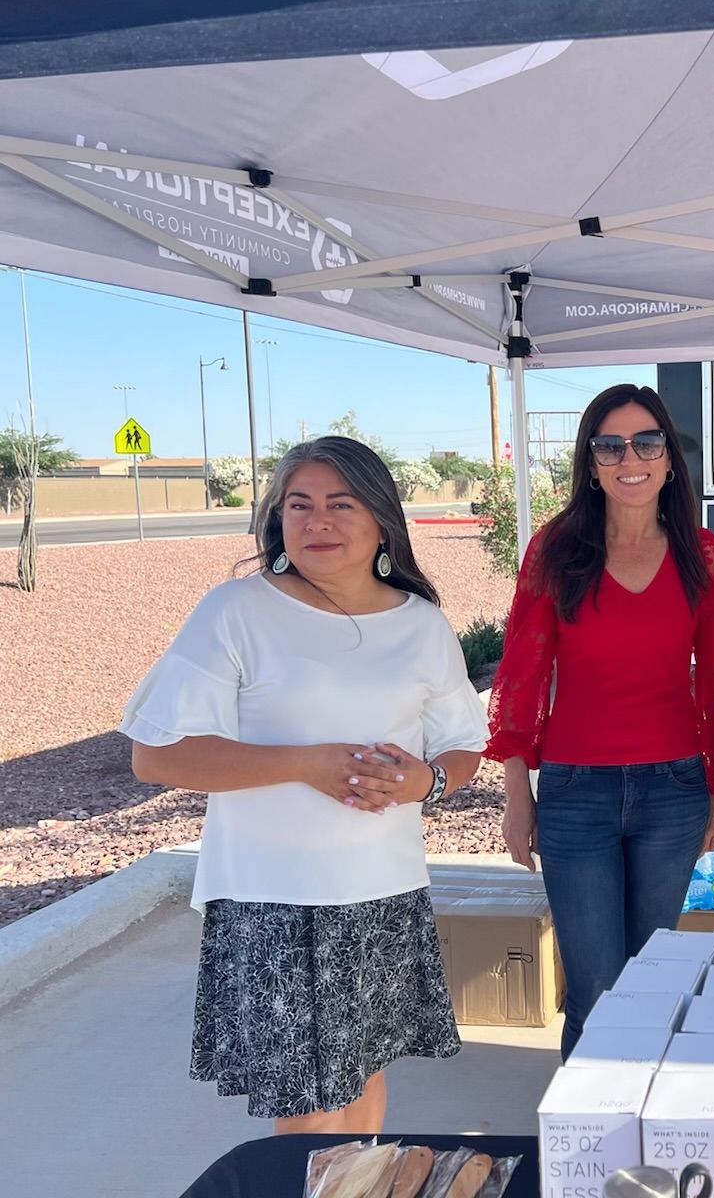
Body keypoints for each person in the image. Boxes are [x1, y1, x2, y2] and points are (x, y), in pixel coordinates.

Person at [122, 436, 488, 1133]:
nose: (319, 520)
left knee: (362, 1084)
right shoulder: (236, 611)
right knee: (310, 1114)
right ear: (277, 519)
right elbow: (156, 754)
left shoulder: (419, 622)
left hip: (382, 889)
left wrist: (425, 781)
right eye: (300, 504)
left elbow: (463, 743)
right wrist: (306, 763)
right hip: (274, 899)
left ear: (382, 517)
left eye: (341, 503)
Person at [488, 384, 714, 1058]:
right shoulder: (556, 550)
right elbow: (520, 681)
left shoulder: (702, 553)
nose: (630, 457)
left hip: (674, 792)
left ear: (667, 458)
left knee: (652, 975)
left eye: (646, 441)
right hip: (577, 796)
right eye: (610, 444)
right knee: (596, 987)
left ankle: (645, 1134)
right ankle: (588, 1149)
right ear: (592, 462)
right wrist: (518, 797)